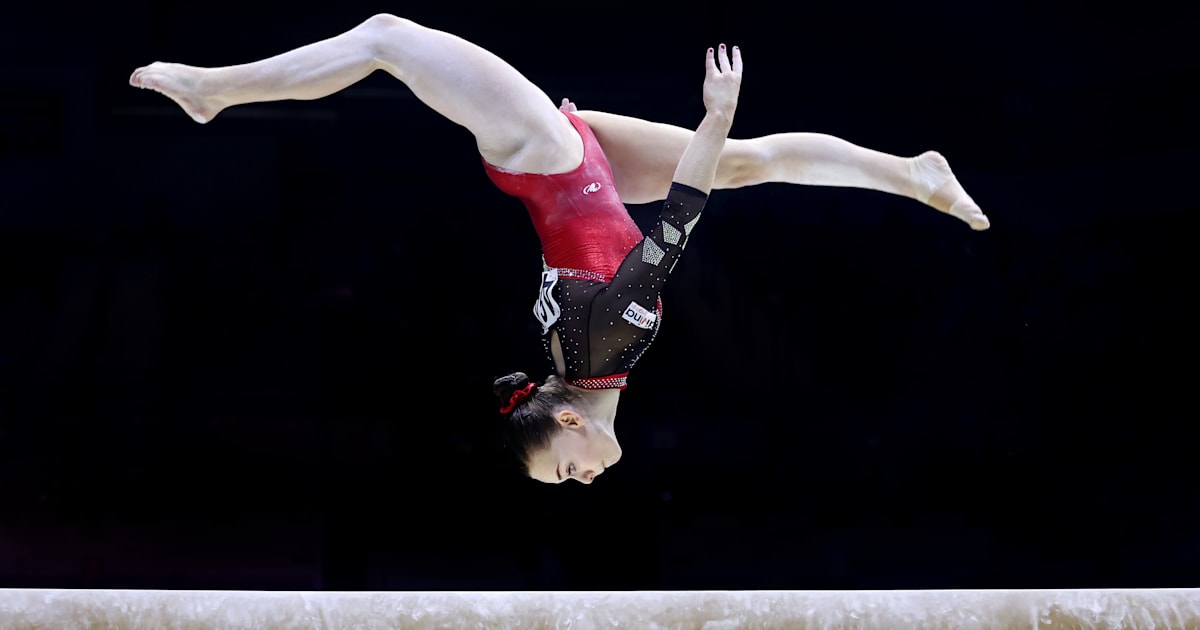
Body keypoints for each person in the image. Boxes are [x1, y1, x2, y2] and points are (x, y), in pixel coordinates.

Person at [129, 14, 990, 484]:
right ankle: (911, 172)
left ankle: (215, 91)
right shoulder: (583, 362)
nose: (583, 482)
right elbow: (650, 221)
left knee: (386, 36)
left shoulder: (602, 347)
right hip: (576, 168)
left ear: (569, 419)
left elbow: (679, 222)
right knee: (753, 166)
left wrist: (712, 112)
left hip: (545, 154)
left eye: (565, 471)